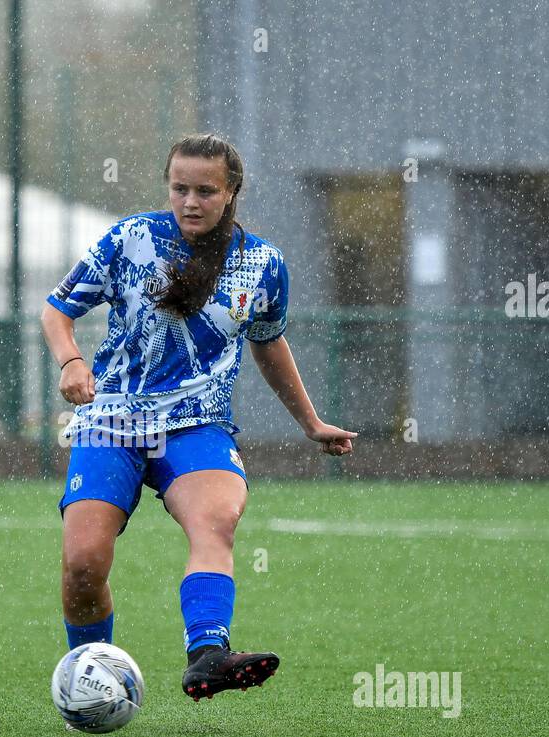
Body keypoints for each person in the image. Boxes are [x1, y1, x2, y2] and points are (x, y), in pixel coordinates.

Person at [39, 133, 356, 703]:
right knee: (83, 564)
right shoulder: (131, 238)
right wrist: (71, 362)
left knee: (216, 524)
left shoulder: (262, 264)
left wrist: (310, 423)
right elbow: (58, 309)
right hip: (111, 420)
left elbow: (269, 344)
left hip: (198, 423)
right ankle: (86, 679)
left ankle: (208, 654)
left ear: (231, 192)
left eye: (205, 191)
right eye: (180, 188)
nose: (190, 201)